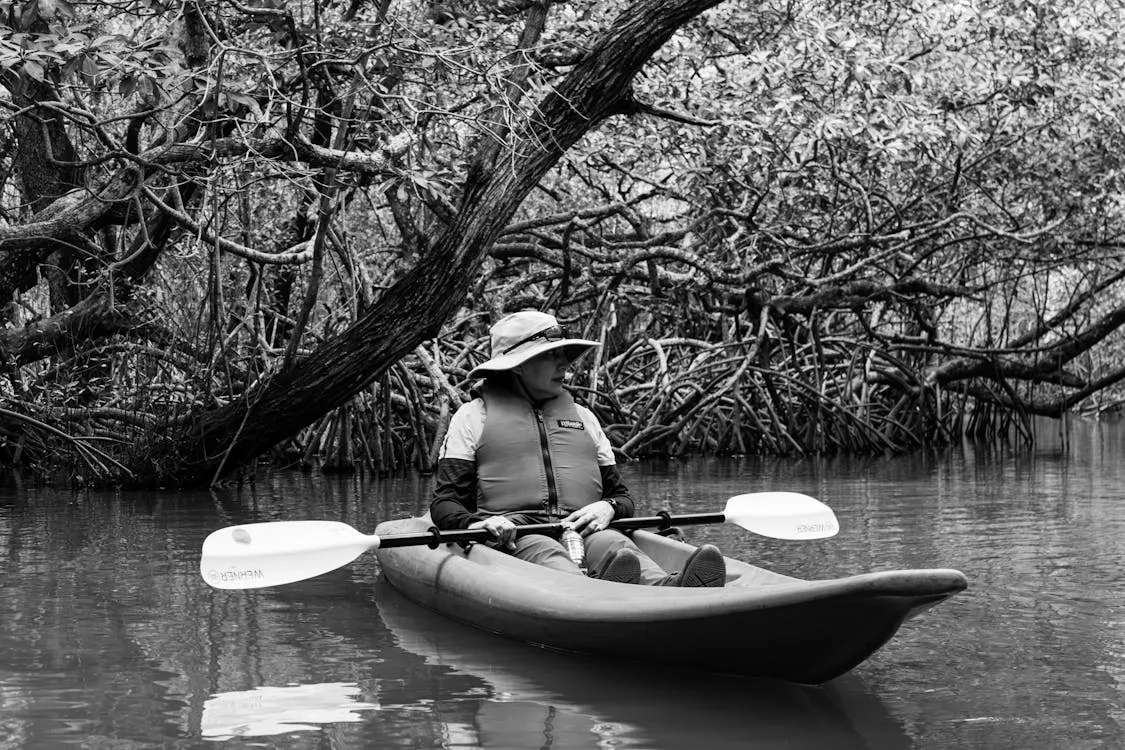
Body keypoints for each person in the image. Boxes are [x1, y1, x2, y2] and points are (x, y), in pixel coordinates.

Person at [429, 310, 725, 587]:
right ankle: (593, 592)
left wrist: (607, 507)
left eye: (563, 355)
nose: (564, 364)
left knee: (617, 546)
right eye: (550, 356)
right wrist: (478, 523)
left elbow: (622, 497)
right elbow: (445, 503)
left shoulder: (584, 418)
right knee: (548, 553)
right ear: (518, 367)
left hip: (583, 528)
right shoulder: (472, 417)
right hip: (518, 535)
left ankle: (670, 586)